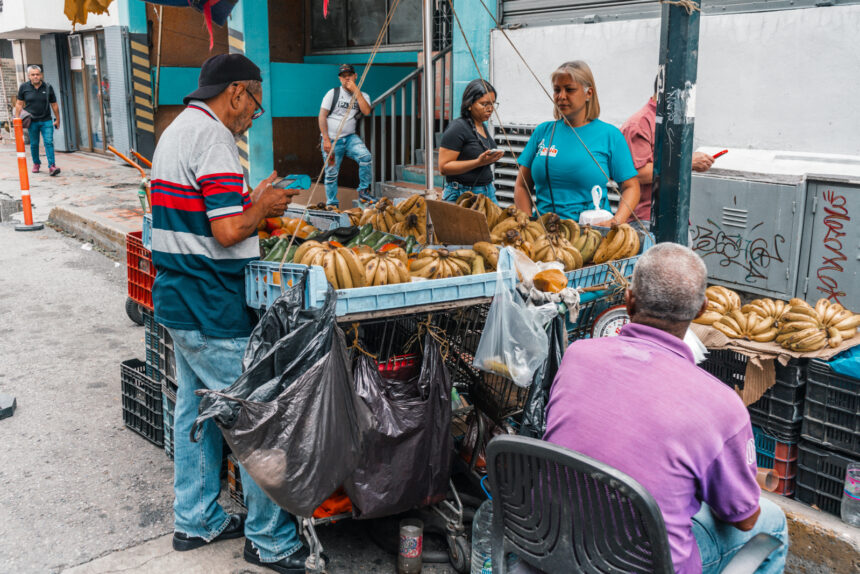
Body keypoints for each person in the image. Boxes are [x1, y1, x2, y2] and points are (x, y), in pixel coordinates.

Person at [150, 53, 310, 574]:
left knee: (198, 413)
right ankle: (269, 539)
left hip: (178, 297)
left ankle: (196, 519)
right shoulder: (215, 139)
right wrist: (260, 208)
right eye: (255, 103)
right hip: (209, 303)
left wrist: (253, 202)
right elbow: (226, 231)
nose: (252, 114)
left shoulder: (178, 130)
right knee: (258, 413)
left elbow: (209, 215)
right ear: (238, 91)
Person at [543, 243, 788, 574]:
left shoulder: (576, 356)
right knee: (773, 521)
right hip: (644, 565)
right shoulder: (721, 404)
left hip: (551, 546)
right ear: (701, 310)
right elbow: (744, 520)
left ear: (628, 300)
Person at [514, 61, 639, 225]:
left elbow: (631, 187)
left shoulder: (609, 135)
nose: (561, 96)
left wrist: (616, 221)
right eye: (557, 90)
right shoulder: (542, 132)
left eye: (570, 89)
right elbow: (522, 186)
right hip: (544, 233)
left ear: (589, 93)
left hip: (589, 234)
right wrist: (527, 222)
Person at [622, 78, 714, 228]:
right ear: (668, 91)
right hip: (646, 218)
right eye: (684, 95)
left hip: (674, 214)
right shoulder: (640, 123)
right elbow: (637, 173)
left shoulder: (672, 120)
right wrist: (686, 163)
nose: (688, 101)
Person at [438, 79, 505, 204]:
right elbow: (444, 167)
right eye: (484, 104)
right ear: (469, 104)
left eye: (493, 104)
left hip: (487, 190)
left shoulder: (481, 126)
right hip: (463, 193)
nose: (490, 109)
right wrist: (478, 162)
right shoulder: (457, 128)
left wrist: (492, 158)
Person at [318, 64, 373, 206]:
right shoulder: (333, 93)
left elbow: (367, 111)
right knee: (331, 173)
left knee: (366, 157)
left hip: (349, 138)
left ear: (355, 76)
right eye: (343, 76)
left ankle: (363, 192)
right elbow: (322, 116)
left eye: (349, 75)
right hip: (331, 139)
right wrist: (325, 140)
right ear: (339, 78)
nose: (346, 78)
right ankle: (332, 204)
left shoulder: (363, 95)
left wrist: (355, 90)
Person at [15, 65, 60, 176]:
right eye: (33, 75)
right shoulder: (24, 87)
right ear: (29, 76)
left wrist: (58, 119)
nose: (35, 76)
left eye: (37, 74)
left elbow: (54, 105)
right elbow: (19, 104)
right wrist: (17, 119)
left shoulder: (48, 87)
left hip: (46, 121)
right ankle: (36, 163)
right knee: (34, 144)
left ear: (41, 75)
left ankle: (52, 166)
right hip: (32, 121)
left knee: (48, 142)